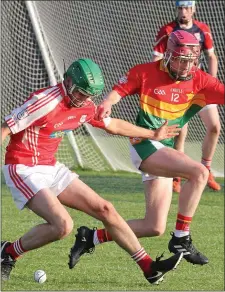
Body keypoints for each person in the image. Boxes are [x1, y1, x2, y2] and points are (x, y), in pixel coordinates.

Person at [1, 58, 183, 285]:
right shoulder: (44, 101)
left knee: (106, 209)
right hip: (23, 167)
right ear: (67, 82)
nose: (85, 100)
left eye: (89, 95)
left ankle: (149, 268)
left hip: (50, 166)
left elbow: (113, 125)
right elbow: (6, 128)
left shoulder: (85, 105)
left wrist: (153, 134)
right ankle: (8, 252)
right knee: (63, 225)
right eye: (80, 93)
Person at [68, 31, 224, 271]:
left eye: (190, 61)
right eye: (180, 59)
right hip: (144, 144)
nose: (185, 66)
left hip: (165, 150)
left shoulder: (200, 80)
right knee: (199, 172)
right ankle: (182, 237)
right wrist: (108, 102)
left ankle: (91, 236)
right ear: (168, 56)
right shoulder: (145, 71)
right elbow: (119, 91)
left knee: (154, 227)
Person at [151, 0, 221, 193]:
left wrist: (211, 83)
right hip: (177, 87)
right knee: (180, 131)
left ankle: (206, 169)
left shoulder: (202, 29)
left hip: (198, 84)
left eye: (187, 8)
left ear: (193, 9)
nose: (183, 12)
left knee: (215, 127)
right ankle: (177, 176)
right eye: (180, 8)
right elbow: (156, 59)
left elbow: (212, 56)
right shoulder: (166, 30)